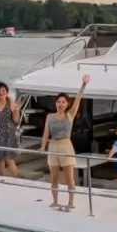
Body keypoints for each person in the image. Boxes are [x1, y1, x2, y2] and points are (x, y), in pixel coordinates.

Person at [41, 74, 91, 211]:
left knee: (69, 177)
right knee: (54, 177)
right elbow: (46, 132)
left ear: (67, 104)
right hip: (53, 146)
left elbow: (78, 100)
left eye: (63, 102)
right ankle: (55, 201)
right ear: (55, 103)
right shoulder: (50, 117)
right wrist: (42, 146)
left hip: (66, 146)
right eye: (59, 102)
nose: (61, 104)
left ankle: (71, 201)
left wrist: (83, 85)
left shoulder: (70, 115)